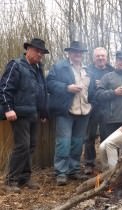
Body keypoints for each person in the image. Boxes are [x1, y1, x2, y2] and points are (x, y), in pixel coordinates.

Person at [0, 38, 49, 192]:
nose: (40, 54)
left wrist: (43, 112)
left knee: (31, 146)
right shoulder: (16, 65)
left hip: (33, 113)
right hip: (19, 113)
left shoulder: (38, 68)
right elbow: (4, 88)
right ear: (28, 50)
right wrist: (8, 108)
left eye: (42, 52)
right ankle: (10, 180)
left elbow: (41, 92)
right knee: (22, 146)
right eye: (37, 51)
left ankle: (24, 178)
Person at [47, 41, 95, 186]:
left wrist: (92, 104)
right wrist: (67, 87)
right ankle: (61, 173)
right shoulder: (60, 67)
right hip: (66, 111)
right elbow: (49, 83)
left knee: (77, 143)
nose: (77, 54)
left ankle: (73, 170)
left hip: (84, 111)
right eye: (74, 52)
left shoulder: (88, 70)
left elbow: (91, 90)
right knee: (63, 142)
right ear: (69, 53)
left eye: (79, 52)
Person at [83, 47, 114, 175]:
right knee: (89, 137)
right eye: (98, 56)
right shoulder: (87, 70)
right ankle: (89, 163)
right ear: (93, 57)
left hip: (107, 108)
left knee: (106, 137)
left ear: (106, 57)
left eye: (103, 56)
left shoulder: (112, 71)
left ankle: (104, 163)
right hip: (92, 107)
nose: (101, 58)